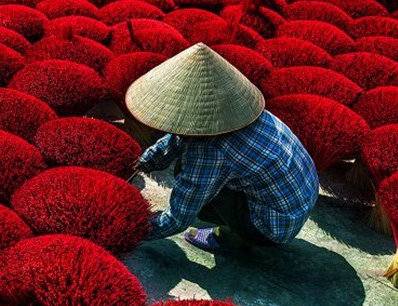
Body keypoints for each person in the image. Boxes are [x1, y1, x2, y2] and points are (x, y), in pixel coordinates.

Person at [126, 43, 319, 253]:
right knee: (193, 169)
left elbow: (178, 217)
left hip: (273, 226)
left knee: (188, 173)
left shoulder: (210, 151)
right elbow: (183, 131)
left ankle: (231, 238)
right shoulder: (241, 112)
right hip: (301, 199)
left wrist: (135, 230)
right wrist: (148, 161)